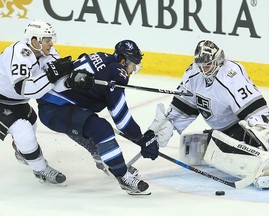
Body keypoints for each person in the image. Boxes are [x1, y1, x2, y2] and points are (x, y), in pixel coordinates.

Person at [148, 40, 269, 189]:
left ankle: (268, 167)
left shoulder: (231, 74)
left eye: (207, 65)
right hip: (219, 131)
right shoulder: (193, 73)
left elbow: (252, 107)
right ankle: (265, 152)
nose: (203, 70)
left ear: (218, 59)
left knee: (233, 153)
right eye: (200, 65)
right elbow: (184, 106)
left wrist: (257, 128)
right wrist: (167, 126)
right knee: (193, 147)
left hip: (240, 127)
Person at [33, 40, 159, 194]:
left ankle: (104, 159)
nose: (133, 70)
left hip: (57, 104)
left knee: (89, 125)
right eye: (134, 65)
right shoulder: (117, 71)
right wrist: (140, 138)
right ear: (123, 61)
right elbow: (120, 116)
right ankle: (123, 176)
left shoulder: (103, 56)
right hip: (57, 109)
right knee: (101, 129)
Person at [0, 19, 91, 184]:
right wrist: (51, 75)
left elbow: (55, 82)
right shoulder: (18, 53)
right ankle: (41, 169)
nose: (51, 44)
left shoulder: (47, 52)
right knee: (25, 135)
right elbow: (25, 88)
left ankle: (22, 151)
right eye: (47, 40)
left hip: (17, 101)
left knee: (31, 127)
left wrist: (70, 81)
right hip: (3, 101)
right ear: (35, 41)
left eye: (51, 39)